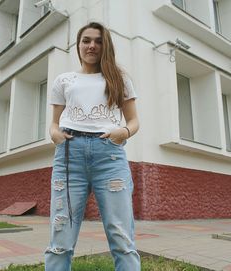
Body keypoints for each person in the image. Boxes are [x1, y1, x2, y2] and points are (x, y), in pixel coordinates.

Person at [45, 21, 140, 271]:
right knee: (61, 235)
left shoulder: (119, 79)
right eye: (86, 40)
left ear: (105, 45)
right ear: (78, 45)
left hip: (109, 157)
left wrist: (124, 132)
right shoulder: (64, 80)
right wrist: (55, 135)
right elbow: (54, 124)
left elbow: (134, 120)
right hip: (68, 157)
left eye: (98, 41)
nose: (92, 46)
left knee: (122, 236)